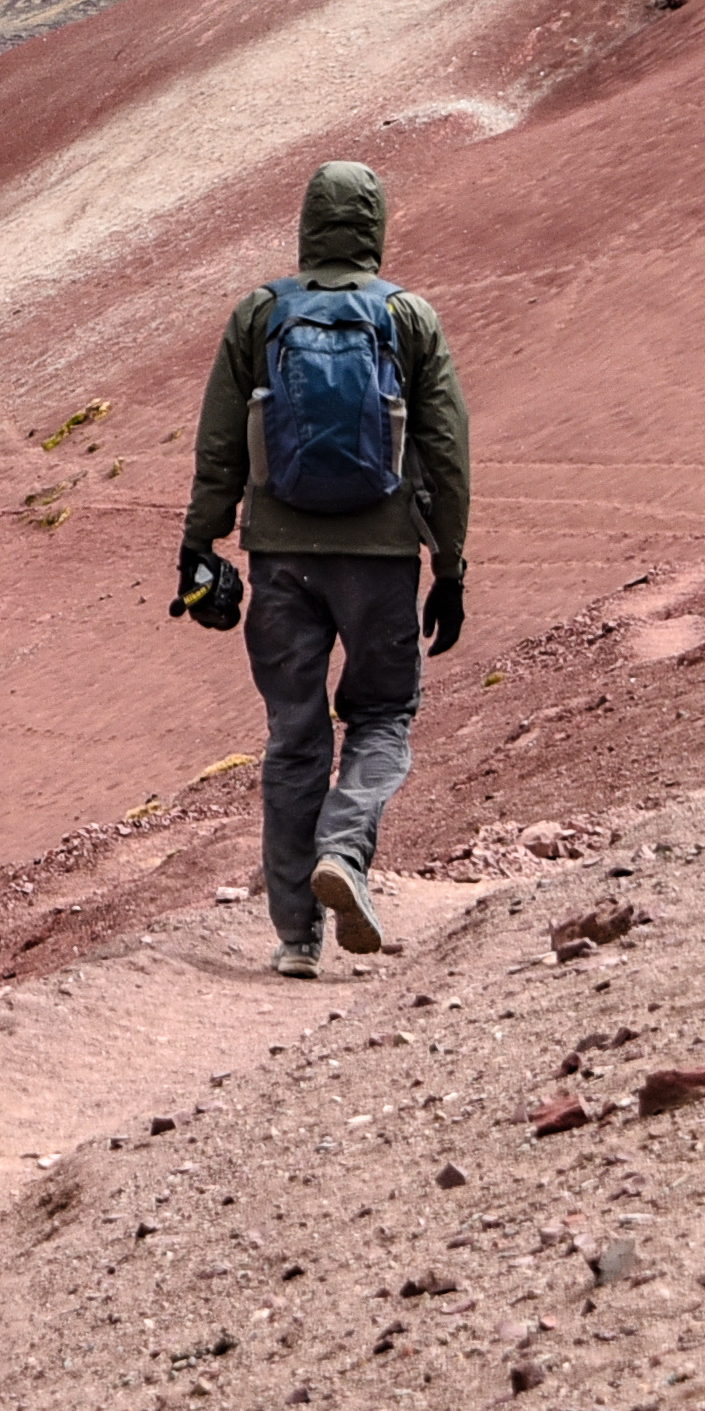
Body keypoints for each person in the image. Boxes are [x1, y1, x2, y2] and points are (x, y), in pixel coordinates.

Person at [175, 159, 473, 973]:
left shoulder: (261, 313)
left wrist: (198, 547)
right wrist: (449, 566)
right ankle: (344, 847)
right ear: (374, 226)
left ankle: (296, 937)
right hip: (379, 562)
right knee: (381, 715)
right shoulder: (408, 316)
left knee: (293, 738)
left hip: (279, 559)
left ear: (306, 223)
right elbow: (444, 450)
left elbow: (217, 447)